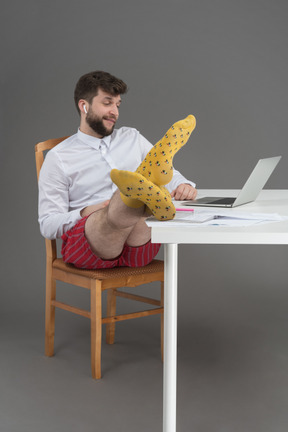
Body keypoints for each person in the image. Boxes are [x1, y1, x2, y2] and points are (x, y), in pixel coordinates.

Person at [38, 70, 197, 270]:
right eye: (107, 103)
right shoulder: (59, 157)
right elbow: (48, 225)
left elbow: (170, 174)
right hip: (89, 247)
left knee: (150, 180)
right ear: (84, 105)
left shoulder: (131, 137)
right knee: (122, 206)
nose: (115, 111)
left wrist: (183, 185)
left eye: (117, 104)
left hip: (137, 248)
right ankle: (136, 196)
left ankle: (139, 195)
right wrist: (87, 211)